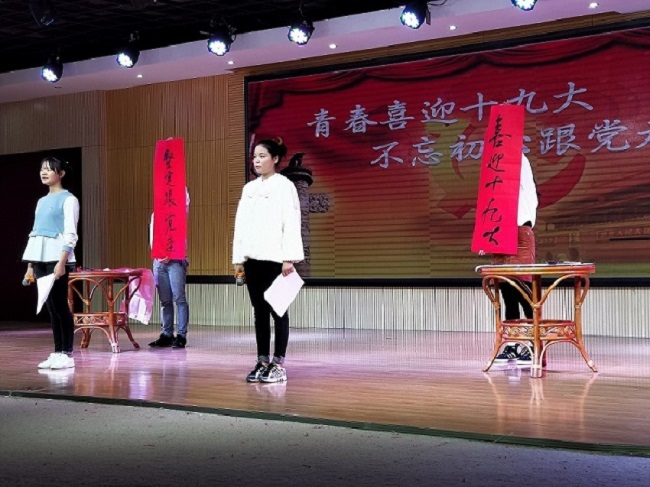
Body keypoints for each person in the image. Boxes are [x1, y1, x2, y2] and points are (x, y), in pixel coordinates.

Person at [233, 138, 304, 384]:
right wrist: (238, 259)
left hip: (276, 261)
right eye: (255, 156)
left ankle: (278, 364)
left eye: (262, 156)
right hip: (252, 260)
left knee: (278, 311)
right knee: (259, 312)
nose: (257, 161)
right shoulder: (249, 189)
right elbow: (240, 225)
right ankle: (262, 360)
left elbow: (292, 223)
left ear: (275, 159)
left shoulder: (285, 186)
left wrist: (289, 258)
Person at [22, 156, 80, 370]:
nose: (44, 172)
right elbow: (36, 232)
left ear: (61, 173)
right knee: (51, 307)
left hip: (57, 258)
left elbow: (71, 233)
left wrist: (62, 261)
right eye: (42, 169)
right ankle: (57, 352)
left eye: (49, 169)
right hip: (40, 258)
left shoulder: (69, 199)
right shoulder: (41, 201)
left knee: (60, 306)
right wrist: (30, 265)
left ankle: (67, 353)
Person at [492, 153, 538, 367]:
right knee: (508, 295)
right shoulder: (495, 169)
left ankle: (534, 344)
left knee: (524, 293)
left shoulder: (520, 160)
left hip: (519, 231)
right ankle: (513, 345)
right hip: (501, 233)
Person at [148, 188, 190, 349]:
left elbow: (185, 200)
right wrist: (158, 254)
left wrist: (177, 184)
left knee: (179, 298)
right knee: (165, 300)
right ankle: (167, 334)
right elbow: (152, 237)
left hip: (176, 260)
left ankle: (181, 335)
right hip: (159, 262)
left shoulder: (179, 213)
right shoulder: (155, 214)